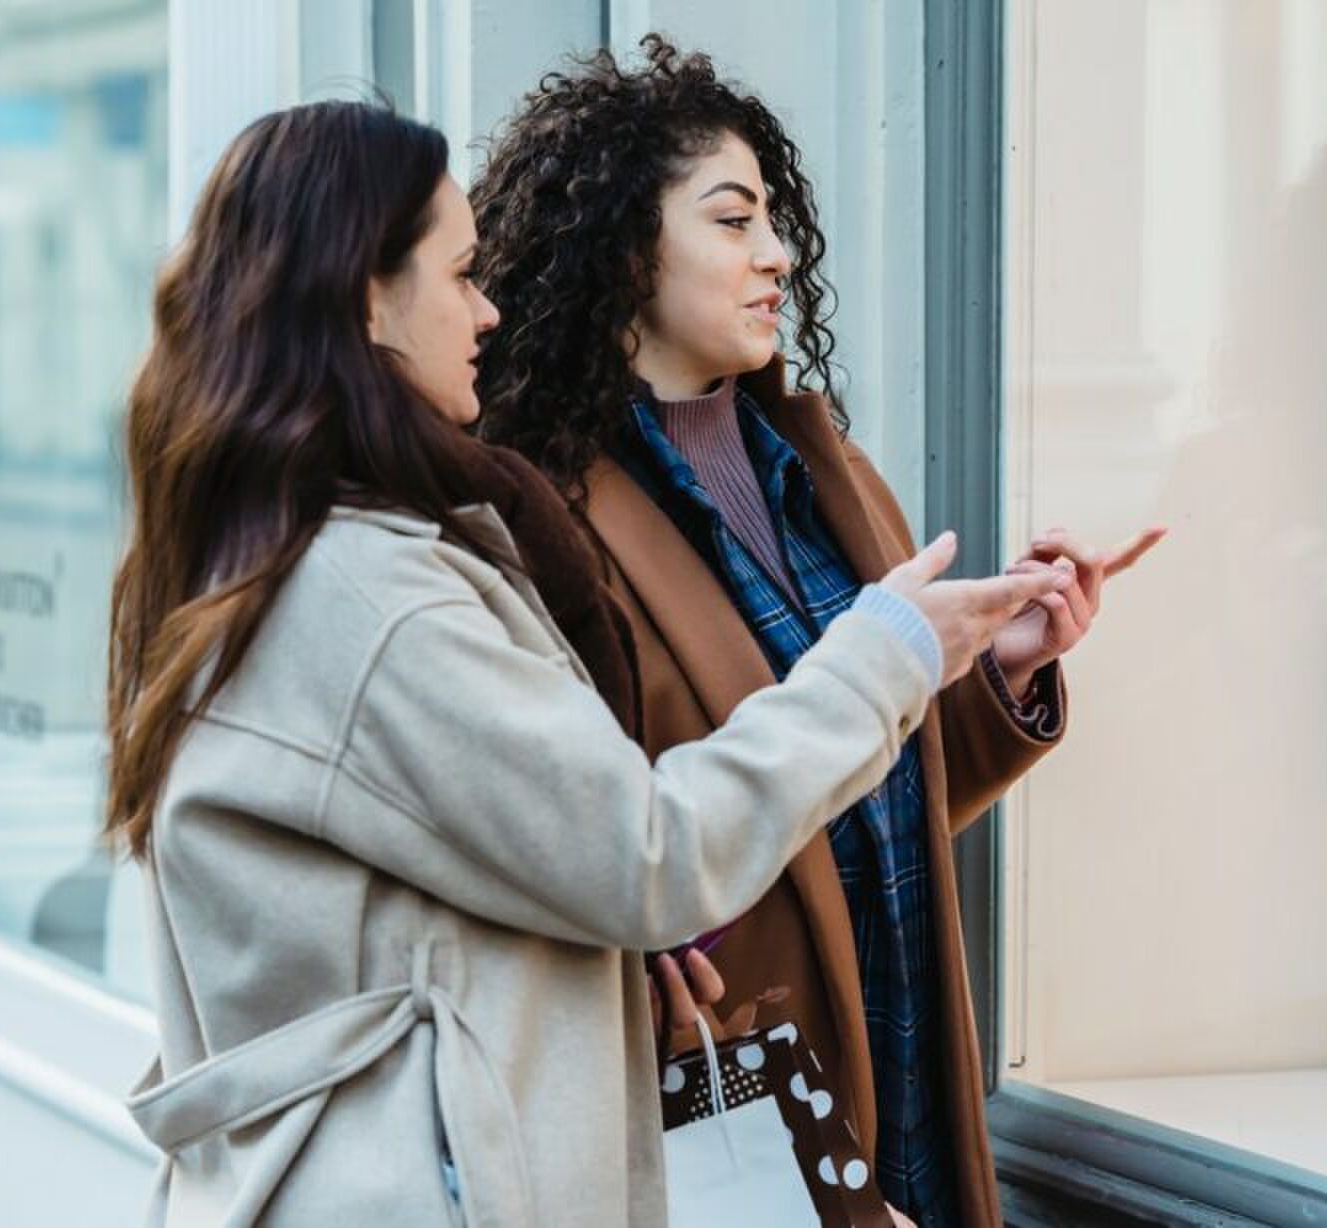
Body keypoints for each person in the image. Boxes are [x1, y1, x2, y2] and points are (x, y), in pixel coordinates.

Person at [104, 100, 1066, 1225]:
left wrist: (977, 676)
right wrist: (889, 652)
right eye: (461, 275)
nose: (489, 307)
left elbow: (494, 877)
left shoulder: (297, 555)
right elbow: (647, 853)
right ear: (368, 293)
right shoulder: (371, 596)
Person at [471, 38, 1164, 1226]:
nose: (777, 254)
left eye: (772, 220)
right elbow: (596, 847)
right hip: (732, 1099)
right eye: (733, 221)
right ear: (625, 252)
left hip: (907, 1070)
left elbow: (851, 792)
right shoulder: (546, 518)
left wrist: (1000, 672)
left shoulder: (826, 468)